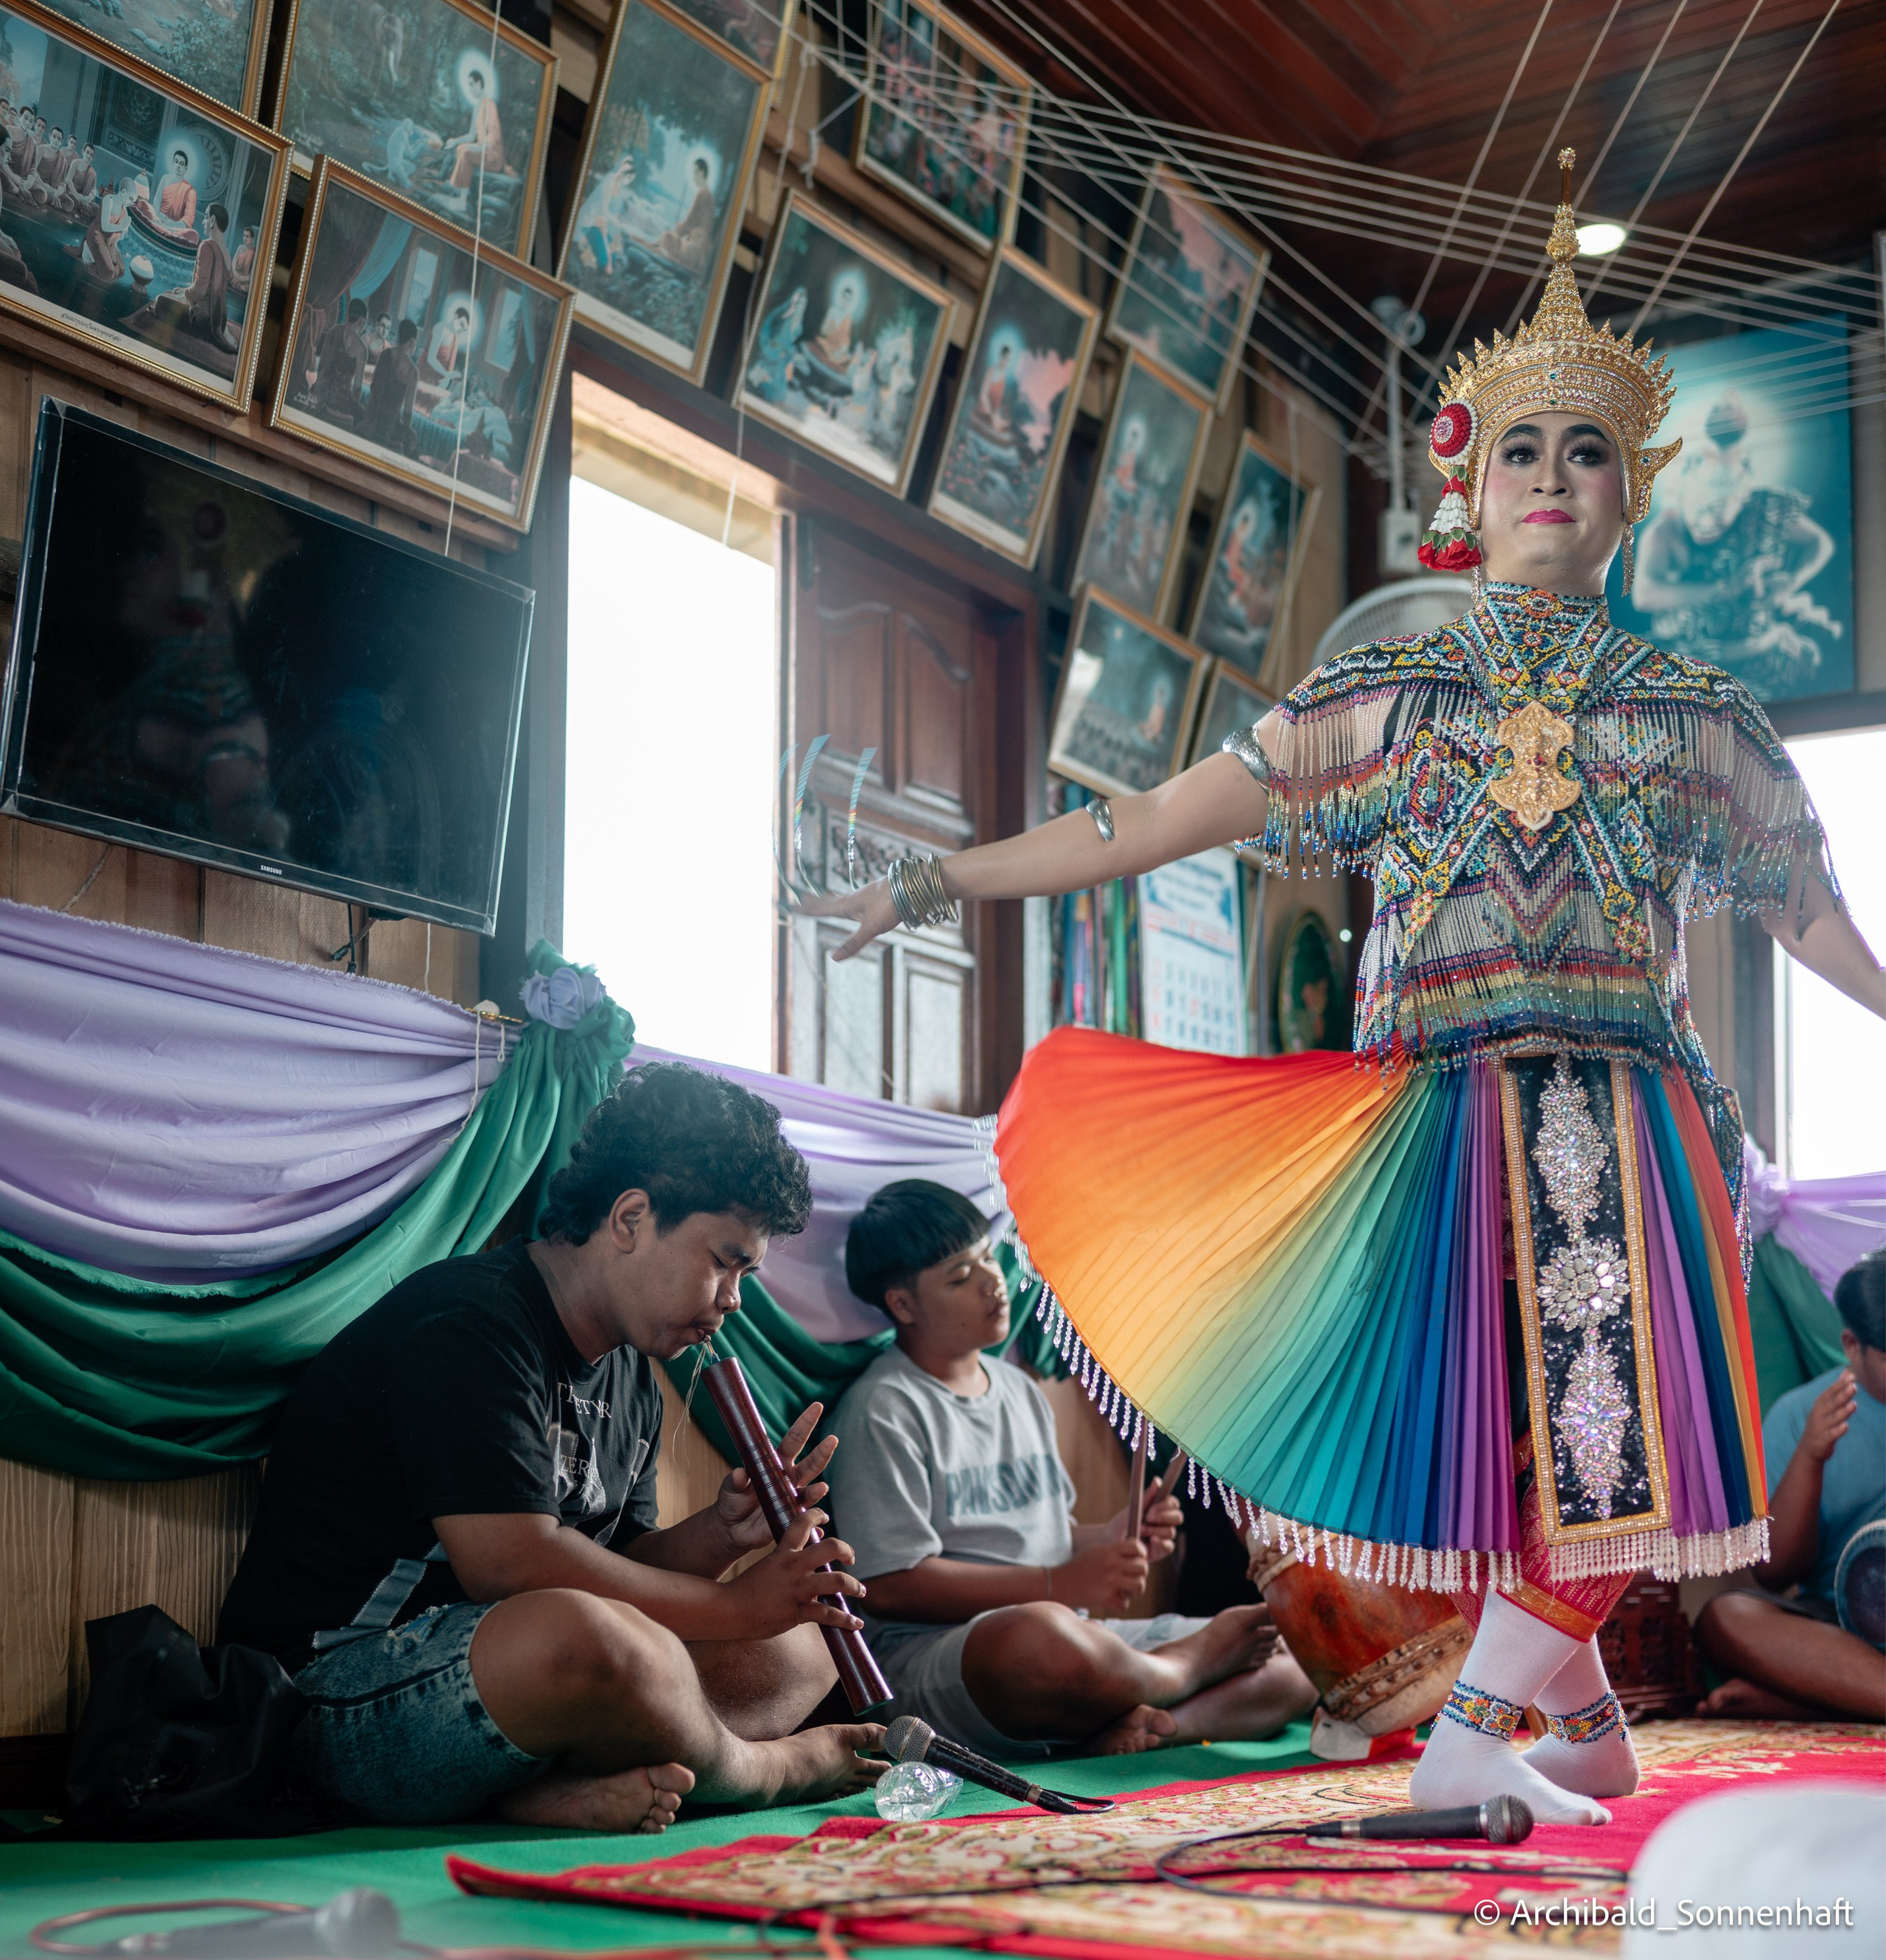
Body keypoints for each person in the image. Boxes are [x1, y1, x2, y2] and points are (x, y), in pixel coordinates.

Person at [800, 153, 1886, 1825]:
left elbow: (1807, 913)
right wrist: (936, 880)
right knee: (1492, 1460)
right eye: (1519, 446)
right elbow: (1145, 820)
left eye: (1585, 449)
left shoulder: (1699, 716)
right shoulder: (1383, 695)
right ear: (1468, 486)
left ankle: (1490, 1744)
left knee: (1607, 1462)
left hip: (1610, 1117)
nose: (1550, 475)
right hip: (1435, 1122)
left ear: (1633, 491)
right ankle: (1559, 1733)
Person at [218, 1063, 884, 1830]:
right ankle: (761, 1771)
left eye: (746, 1273)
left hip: (513, 1677)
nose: (732, 1299)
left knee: (802, 1646)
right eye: (722, 1261)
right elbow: (514, 1565)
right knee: (590, 1634)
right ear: (630, 1219)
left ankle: (542, 1788)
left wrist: (720, 1535)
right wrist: (737, 1605)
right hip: (335, 1693)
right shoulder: (469, 1324)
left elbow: (624, 1564)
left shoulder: (633, 1368)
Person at [825, 1181, 1316, 1757]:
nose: (992, 1282)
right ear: (903, 1306)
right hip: (948, 1657)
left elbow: (1048, 1538)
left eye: (989, 1258)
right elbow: (889, 1588)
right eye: (960, 1277)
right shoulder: (883, 1408)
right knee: (1037, 1640)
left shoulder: (1018, 1389)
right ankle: (1182, 1671)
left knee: (1293, 1651)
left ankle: (1151, 1725)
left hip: (1077, 1639)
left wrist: (1110, 1539)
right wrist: (1060, 1584)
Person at [1694, 1249, 1886, 1720]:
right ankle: (1849, 1693)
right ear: (1852, 1345)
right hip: (1838, 1625)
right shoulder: (1800, 1416)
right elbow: (1775, 1574)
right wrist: (1810, 1457)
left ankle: (1818, 1700)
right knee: (1726, 1618)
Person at [360, 315, 421, 453]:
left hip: (373, 418)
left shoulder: (385, 354)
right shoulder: (413, 371)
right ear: (412, 341)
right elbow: (408, 413)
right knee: (413, 441)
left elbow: (374, 387)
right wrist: (406, 430)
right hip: (390, 428)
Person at [312, 297, 371, 421]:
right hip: (340, 399)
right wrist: (353, 405)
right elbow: (357, 388)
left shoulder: (333, 332)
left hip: (320, 391)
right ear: (362, 321)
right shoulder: (361, 348)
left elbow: (321, 367)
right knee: (363, 416)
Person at [656, 155, 715, 276]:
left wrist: (675, 232)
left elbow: (689, 223)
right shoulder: (708, 195)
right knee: (666, 237)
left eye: (695, 172)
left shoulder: (703, 194)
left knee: (666, 237)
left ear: (702, 172)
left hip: (694, 250)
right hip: (699, 250)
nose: (693, 177)